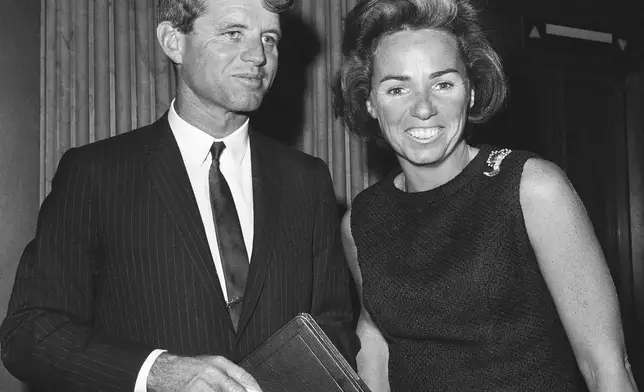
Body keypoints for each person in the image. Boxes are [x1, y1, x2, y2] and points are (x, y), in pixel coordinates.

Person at [0, 0, 359, 391]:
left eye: (269, 39)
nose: (258, 56)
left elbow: (333, 330)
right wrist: (156, 372)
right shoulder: (95, 174)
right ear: (173, 41)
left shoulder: (308, 180)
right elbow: (29, 330)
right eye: (233, 32)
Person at [335, 0, 639, 391]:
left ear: (473, 92)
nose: (423, 108)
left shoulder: (531, 188)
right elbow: (375, 333)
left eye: (443, 83)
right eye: (397, 88)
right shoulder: (360, 220)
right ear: (370, 103)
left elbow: (607, 367)